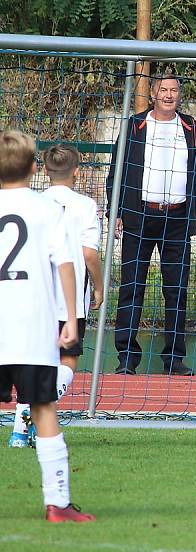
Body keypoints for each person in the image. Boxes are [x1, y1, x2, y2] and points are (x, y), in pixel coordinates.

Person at [0, 130, 95, 522]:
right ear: (34, 167)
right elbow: (67, 264)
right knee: (43, 409)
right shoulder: (46, 209)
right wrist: (71, 317)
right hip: (33, 327)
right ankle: (56, 503)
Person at [107, 73, 196, 377]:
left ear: (179, 95)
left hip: (178, 220)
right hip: (139, 218)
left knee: (176, 290)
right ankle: (126, 358)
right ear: (153, 93)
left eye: (173, 90)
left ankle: (174, 358)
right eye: (163, 89)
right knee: (132, 287)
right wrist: (117, 212)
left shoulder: (191, 128)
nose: (168, 94)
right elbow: (116, 172)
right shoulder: (134, 126)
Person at [8, 144, 103, 448]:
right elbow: (88, 254)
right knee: (68, 360)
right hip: (69, 296)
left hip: (35, 296)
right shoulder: (86, 205)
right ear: (77, 171)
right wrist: (100, 286)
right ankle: (29, 419)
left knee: (33, 361)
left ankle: (22, 429)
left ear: (45, 170)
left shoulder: (34, 203)